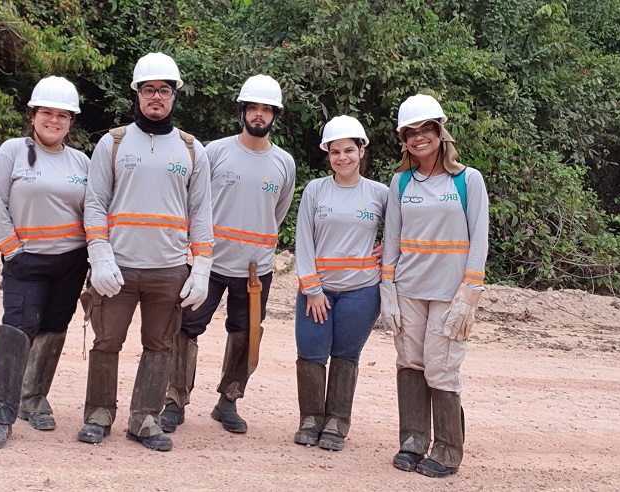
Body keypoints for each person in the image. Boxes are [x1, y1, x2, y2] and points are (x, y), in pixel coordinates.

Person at [78, 52, 213, 452]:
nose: (157, 96)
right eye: (149, 89)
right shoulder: (114, 142)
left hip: (169, 269)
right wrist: (99, 254)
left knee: (160, 345)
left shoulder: (191, 150)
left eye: (165, 90)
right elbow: (95, 203)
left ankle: (146, 418)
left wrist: (202, 266)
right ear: (137, 93)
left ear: (174, 96)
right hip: (117, 267)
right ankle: (98, 414)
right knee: (107, 342)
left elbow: (201, 214)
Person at [159, 75, 296, 435]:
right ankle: (175, 400)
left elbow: (276, 212)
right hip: (208, 262)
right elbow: (195, 202)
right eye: (253, 107)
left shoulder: (284, 163)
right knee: (185, 328)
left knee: (247, 332)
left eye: (266, 109)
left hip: (255, 270)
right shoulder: (214, 151)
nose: (259, 115)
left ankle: (228, 401)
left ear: (274, 116)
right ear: (243, 111)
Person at [0, 76, 90, 448]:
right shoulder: (12, 152)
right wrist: (12, 250)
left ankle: (33, 398)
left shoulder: (82, 162)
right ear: (33, 115)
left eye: (62, 115)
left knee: (55, 326)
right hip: (25, 259)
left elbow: (94, 211)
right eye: (47, 112)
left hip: (71, 261)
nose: (54, 121)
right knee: (18, 326)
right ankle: (0, 414)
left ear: (71, 121)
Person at [382, 94, 489, 478]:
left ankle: (447, 450)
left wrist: (470, 295)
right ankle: (412, 441)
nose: (419, 138)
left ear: (440, 132)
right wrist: (387, 290)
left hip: (450, 293)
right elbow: (391, 239)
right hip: (409, 288)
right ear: (404, 140)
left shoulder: (467, 180)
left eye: (426, 129)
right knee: (410, 362)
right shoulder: (401, 182)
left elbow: (480, 240)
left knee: (441, 368)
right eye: (410, 133)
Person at [293, 115, 388, 451]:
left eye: (350, 149)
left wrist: (389, 249)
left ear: (362, 150)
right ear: (328, 154)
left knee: (346, 355)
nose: (343, 157)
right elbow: (303, 242)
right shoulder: (316, 190)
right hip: (317, 291)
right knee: (311, 352)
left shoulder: (380, 193)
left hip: (361, 291)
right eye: (335, 151)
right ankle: (310, 419)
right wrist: (313, 289)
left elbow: (405, 231)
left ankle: (336, 423)